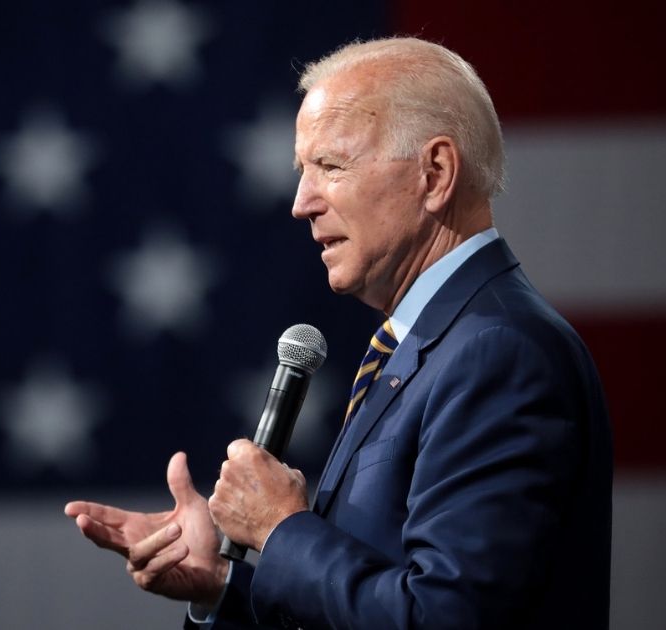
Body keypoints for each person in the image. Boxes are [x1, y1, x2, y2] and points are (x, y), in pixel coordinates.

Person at [64, 37, 612, 629]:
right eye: (303, 172)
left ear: (435, 173)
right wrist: (223, 584)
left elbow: (445, 619)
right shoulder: (430, 344)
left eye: (330, 166)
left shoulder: (498, 351)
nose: (301, 203)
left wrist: (280, 531)